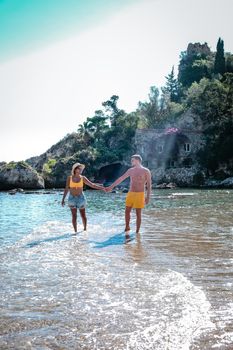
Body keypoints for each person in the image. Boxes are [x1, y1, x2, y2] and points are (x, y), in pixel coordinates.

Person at [105, 155, 151, 234]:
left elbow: (149, 185)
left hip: (140, 194)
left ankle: (137, 232)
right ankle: (127, 226)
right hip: (131, 193)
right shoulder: (130, 170)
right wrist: (111, 187)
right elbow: (121, 178)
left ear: (137, 160)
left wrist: (148, 197)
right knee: (127, 211)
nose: (131, 162)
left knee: (138, 214)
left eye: (132, 160)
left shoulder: (146, 171)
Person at [62, 162, 105, 233]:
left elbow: (92, 185)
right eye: (79, 168)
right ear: (75, 169)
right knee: (74, 216)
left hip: (81, 198)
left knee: (83, 215)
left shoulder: (83, 178)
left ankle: (85, 230)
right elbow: (66, 189)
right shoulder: (69, 178)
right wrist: (63, 199)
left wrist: (102, 188)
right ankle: (75, 233)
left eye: (81, 168)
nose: (81, 169)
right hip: (71, 198)